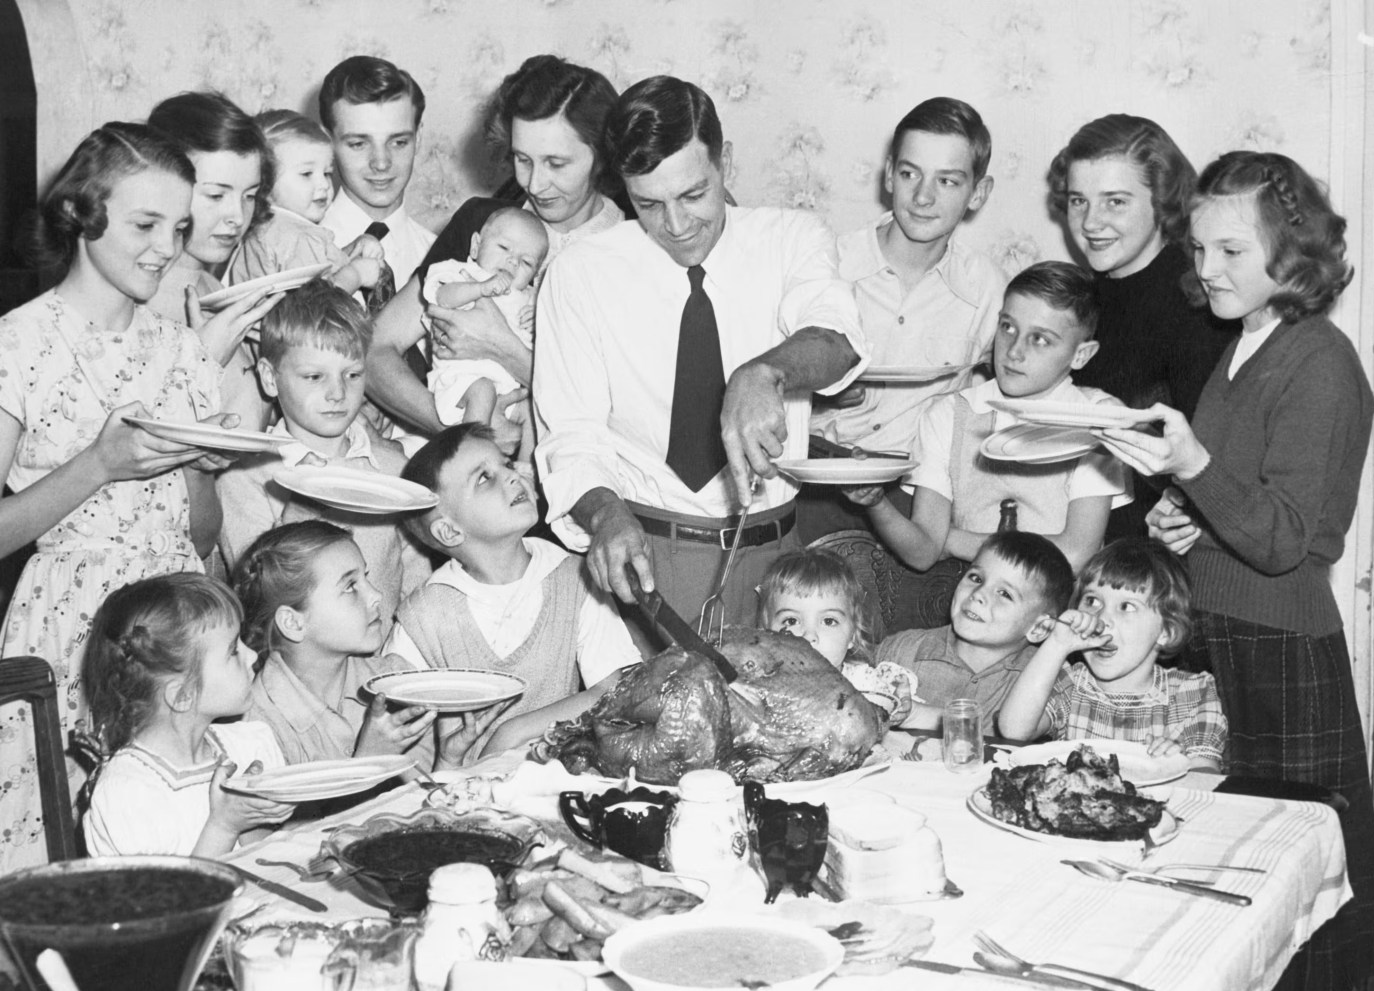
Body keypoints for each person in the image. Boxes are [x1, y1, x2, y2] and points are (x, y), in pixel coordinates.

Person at [1098, 150, 1374, 991]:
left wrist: (1195, 464)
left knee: (1301, 909)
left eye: (1232, 252)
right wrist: (1179, 517)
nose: (1207, 268)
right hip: (1221, 635)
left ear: (1291, 257)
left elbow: (1287, 540)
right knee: (1218, 898)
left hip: (1280, 650)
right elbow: (1238, 500)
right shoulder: (1245, 343)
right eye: (1199, 249)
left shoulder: (1318, 357)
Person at [0, 123, 234, 877]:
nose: (164, 248)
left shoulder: (180, 350)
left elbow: (202, 534)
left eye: (178, 228)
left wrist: (199, 467)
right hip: (67, 630)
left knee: (179, 855)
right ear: (82, 214)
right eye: (144, 224)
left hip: (174, 634)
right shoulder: (15, 346)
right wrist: (99, 464)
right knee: (61, 870)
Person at [534, 75, 868, 627]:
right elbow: (570, 433)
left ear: (725, 163)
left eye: (693, 194)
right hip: (642, 553)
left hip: (775, 558)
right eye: (649, 204)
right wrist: (605, 515)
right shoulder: (580, 273)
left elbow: (838, 339)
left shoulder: (791, 239)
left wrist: (765, 373)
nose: (677, 225)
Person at [365, 54, 630, 443]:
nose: (535, 184)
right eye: (523, 160)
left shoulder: (632, 253)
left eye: (556, 163)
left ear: (602, 157)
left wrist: (505, 350)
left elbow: (627, 414)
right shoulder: (483, 224)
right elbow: (374, 350)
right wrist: (467, 433)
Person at [802, 97, 1004, 542]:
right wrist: (816, 399)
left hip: (919, 503)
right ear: (890, 174)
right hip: (815, 489)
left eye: (948, 181)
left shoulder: (987, 289)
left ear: (978, 194)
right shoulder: (828, 266)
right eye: (910, 174)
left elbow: (1013, 391)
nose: (923, 196)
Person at [846, 261, 1128, 572]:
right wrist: (876, 503)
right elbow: (924, 551)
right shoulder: (951, 414)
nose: (1014, 351)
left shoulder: (1098, 418)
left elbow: (1075, 555)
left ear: (1081, 355)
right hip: (978, 609)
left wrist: (954, 540)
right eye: (1008, 327)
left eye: (1040, 339)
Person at [392, 424, 639, 760]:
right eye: (484, 478)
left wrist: (513, 732)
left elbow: (616, 688)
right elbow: (400, 745)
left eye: (506, 465)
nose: (512, 477)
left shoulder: (575, 576)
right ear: (449, 530)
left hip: (559, 784)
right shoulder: (424, 616)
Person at [1048, 114, 1237, 539]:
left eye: (1115, 201)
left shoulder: (1199, 308)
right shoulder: (1079, 300)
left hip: (1144, 565)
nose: (1091, 222)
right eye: (1079, 200)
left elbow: (1210, 468)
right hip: (1067, 543)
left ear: (1164, 202)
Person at [216, 281, 427, 639]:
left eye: (353, 374)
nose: (337, 393)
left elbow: (417, 587)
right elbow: (260, 599)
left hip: (382, 663)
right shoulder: (247, 476)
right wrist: (301, 507)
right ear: (270, 378)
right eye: (314, 376)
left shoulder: (392, 469)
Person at [80, 574, 294, 857]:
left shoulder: (245, 746)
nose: (253, 655)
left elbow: (264, 860)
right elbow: (180, 900)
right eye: (233, 650)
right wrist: (224, 826)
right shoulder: (130, 795)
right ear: (182, 695)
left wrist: (254, 817)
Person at [231, 521, 456, 767]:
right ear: (293, 623)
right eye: (350, 587)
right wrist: (367, 763)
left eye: (365, 578)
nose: (376, 596)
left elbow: (426, 797)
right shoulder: (255, 727)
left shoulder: (394, 680)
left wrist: (448, 762)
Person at [997, 539, 1226, 771]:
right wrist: (1056, 644)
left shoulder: (1191, 694)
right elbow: (1013, 730)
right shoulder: (1071, 683)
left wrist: (1179, 765)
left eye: (1126, 606)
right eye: (1092, 601)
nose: (1102, 619)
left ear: (1166, 631)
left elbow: (1205, 776)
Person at [148, 90, 277, 435]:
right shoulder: (141, 301)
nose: (237, 216)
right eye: (216, 196)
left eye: (249, 196)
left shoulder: (213, 289)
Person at [875, 532, 1074, 740]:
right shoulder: (902, 650)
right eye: (975, 578)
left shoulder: (1045, 677)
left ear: (1039, 628)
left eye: (1004, 593)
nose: (978, 593)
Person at [227, 109, 390, 299]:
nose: (324, 185)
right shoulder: (299, 237)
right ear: (264, 182)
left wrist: (351, 251)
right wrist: (356, 273)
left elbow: (318, 272)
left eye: (327, 173)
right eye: (306, 174)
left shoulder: (272, 230)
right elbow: (314, 306)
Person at [424, 208, 548, 434]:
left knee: (536, 412)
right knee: (483, 391)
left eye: (526, 262)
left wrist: (540, 322)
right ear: (475, 245)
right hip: (462, 381)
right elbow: (442, 297)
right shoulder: (459, 272)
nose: (512, 261)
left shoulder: (531, 299)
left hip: (509, 388)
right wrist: (479, 289)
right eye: (503, 248)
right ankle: (471, 455)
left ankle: (524, 466)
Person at [318, 55, 435, 294]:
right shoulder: (290, 253)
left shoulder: (441, 259)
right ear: (326, 144)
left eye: (399, 142)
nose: (381, 163)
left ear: (418, 139)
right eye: (359, 144)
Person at [758, 549, 910, 726]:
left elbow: (902, 708)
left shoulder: (866, 685)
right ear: (766, 631)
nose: (809, 636)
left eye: (829, 621)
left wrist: (901, 706)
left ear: (853, 633)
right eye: (791, 621)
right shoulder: (759, 688)